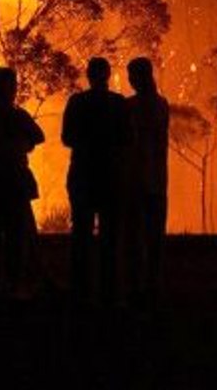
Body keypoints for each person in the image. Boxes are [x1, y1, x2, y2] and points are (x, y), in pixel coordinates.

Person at [61, 57, 130, 304]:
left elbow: (66, 137)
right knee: (110, 235)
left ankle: (80, 288)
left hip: (83, 174)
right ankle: (109, 289)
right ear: (108, 75)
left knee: (81, 232)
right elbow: (127, 139)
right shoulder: (119, 104)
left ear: (88, 75)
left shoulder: (77, 102)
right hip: (111, 176)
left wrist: (87, 142)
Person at [0, 67, 45, 298]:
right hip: (13, 180)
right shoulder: (16, 115)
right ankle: (18, 283)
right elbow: (39, 135)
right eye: (12, 84)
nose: (15, 88)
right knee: (19, 233)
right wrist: (23, 144)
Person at [123, 57, 170, 307]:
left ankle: (137, 285)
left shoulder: (130, 106)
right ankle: (153, 284)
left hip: (136, 181)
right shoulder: (162, 104)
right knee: (154, 237)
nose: (130, 80)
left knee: (134, 236)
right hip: (157, 181)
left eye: (132, 75)